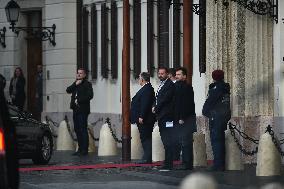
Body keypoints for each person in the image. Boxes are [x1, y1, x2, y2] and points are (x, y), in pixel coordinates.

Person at [202, 70, 231, 171]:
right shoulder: (225, 87)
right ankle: (220, 163)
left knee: (216, 140)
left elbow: (210, 102)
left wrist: (205, 111)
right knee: (220, 140)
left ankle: (218, 165)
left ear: (213, 77)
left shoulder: (215, 88)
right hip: (223, 116)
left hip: (216, 117)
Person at [66, 68, 93, 156]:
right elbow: (68, 90)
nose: (79, 75)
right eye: (78, 73)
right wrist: (75, 84)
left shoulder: (87, 84)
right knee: (77, 129)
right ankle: (80, 148)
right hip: (75, 109)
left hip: (83, 109)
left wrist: (79, 100)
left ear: (84, 75)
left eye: (81, 73)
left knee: (83, 129)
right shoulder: (76, 84)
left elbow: (90, 95)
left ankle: (85, 149)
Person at [152, 67, 175, 171]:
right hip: (161, 116)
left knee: (168, 139)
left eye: (162, 73)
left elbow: (165, 99)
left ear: (167, 74)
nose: (160, 75)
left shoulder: (170, 85)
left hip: (168, 117)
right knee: (165, 139)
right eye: (159, 73)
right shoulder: (161, 84)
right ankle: (167, 162)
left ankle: (169, 163)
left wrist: (156, 108)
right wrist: (154, 107)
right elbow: (157, 98)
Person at [173, 67, 196, 170]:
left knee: (186, 142)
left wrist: (182, 117)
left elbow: (187, 104)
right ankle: (183, 161)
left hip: (186, 120)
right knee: (179, 141)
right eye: (176, 74)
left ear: (184, 76)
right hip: (177, 119)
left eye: (179, 74)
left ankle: (188, 163)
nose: (176, 76)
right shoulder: (175, 86)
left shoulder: (187, 87)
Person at [130, 72, 156, 163]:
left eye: (139, 78)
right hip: (144, 118)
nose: (138, 80)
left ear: (142, 79)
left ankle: (147, 158)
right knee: (144, 137)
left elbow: (145, 104)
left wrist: (141, 116)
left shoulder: (147, 89)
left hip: (145, 119)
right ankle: (146, 156)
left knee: (146, 138)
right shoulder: (146, 88)